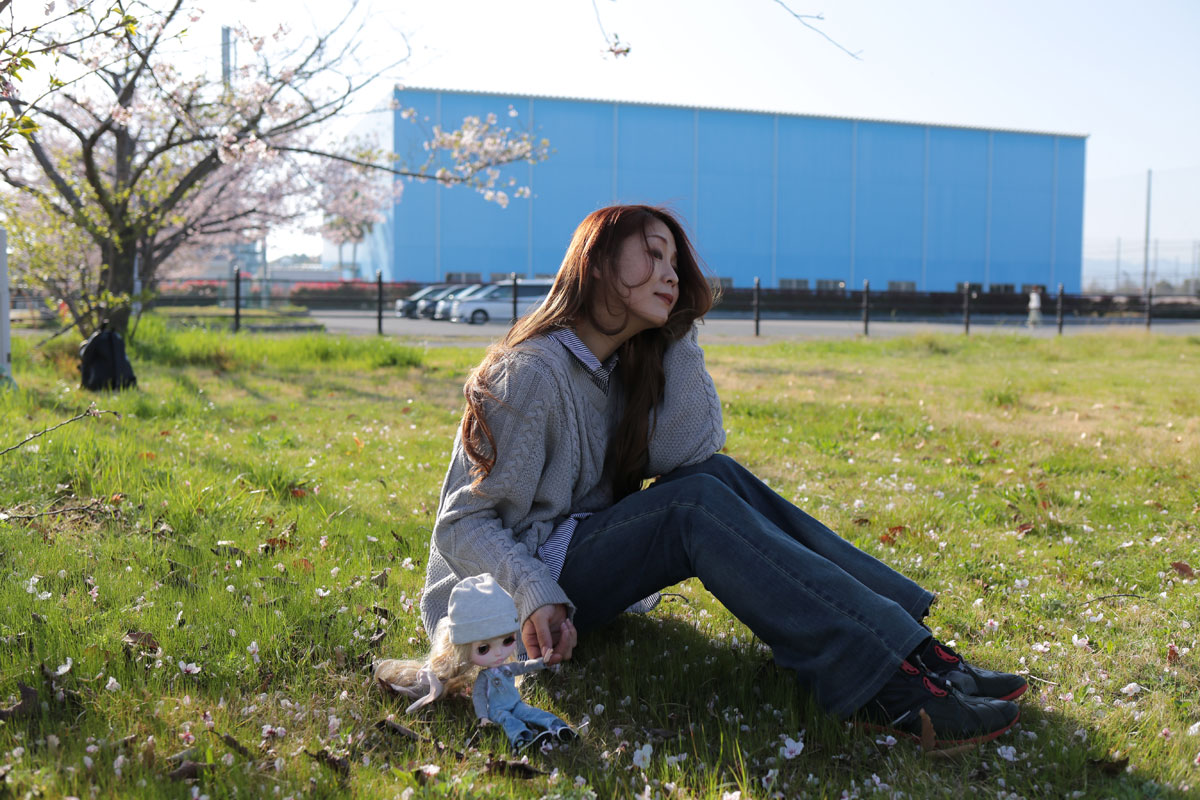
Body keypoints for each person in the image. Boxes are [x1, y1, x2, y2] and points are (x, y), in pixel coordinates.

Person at [417, 205, 1026, 749]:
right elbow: (462, 524)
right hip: (501, 610)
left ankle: (912, 649)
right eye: (653, 255)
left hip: (563, 574)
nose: (671, 274)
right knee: (694, 508)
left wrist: (676, 329)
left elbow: (694, 451)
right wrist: (532, 589)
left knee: (716, 477)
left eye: (675, 264)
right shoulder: (529, 372)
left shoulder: (616, 368)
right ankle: (885, 686)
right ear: (597, 264)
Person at [374, 574, 576, 751]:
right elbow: (479, 697)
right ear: (464, 651)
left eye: (507, 641)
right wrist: (483, 717)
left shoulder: (508, 667)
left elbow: (524, 666)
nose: (499, 653)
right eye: (483, 648)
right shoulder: (484, 677)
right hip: (497, 710)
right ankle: (521, 738)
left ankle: (558, 726)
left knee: (532, 712)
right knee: (509, 721)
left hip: (515, 702)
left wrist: (542, 662)